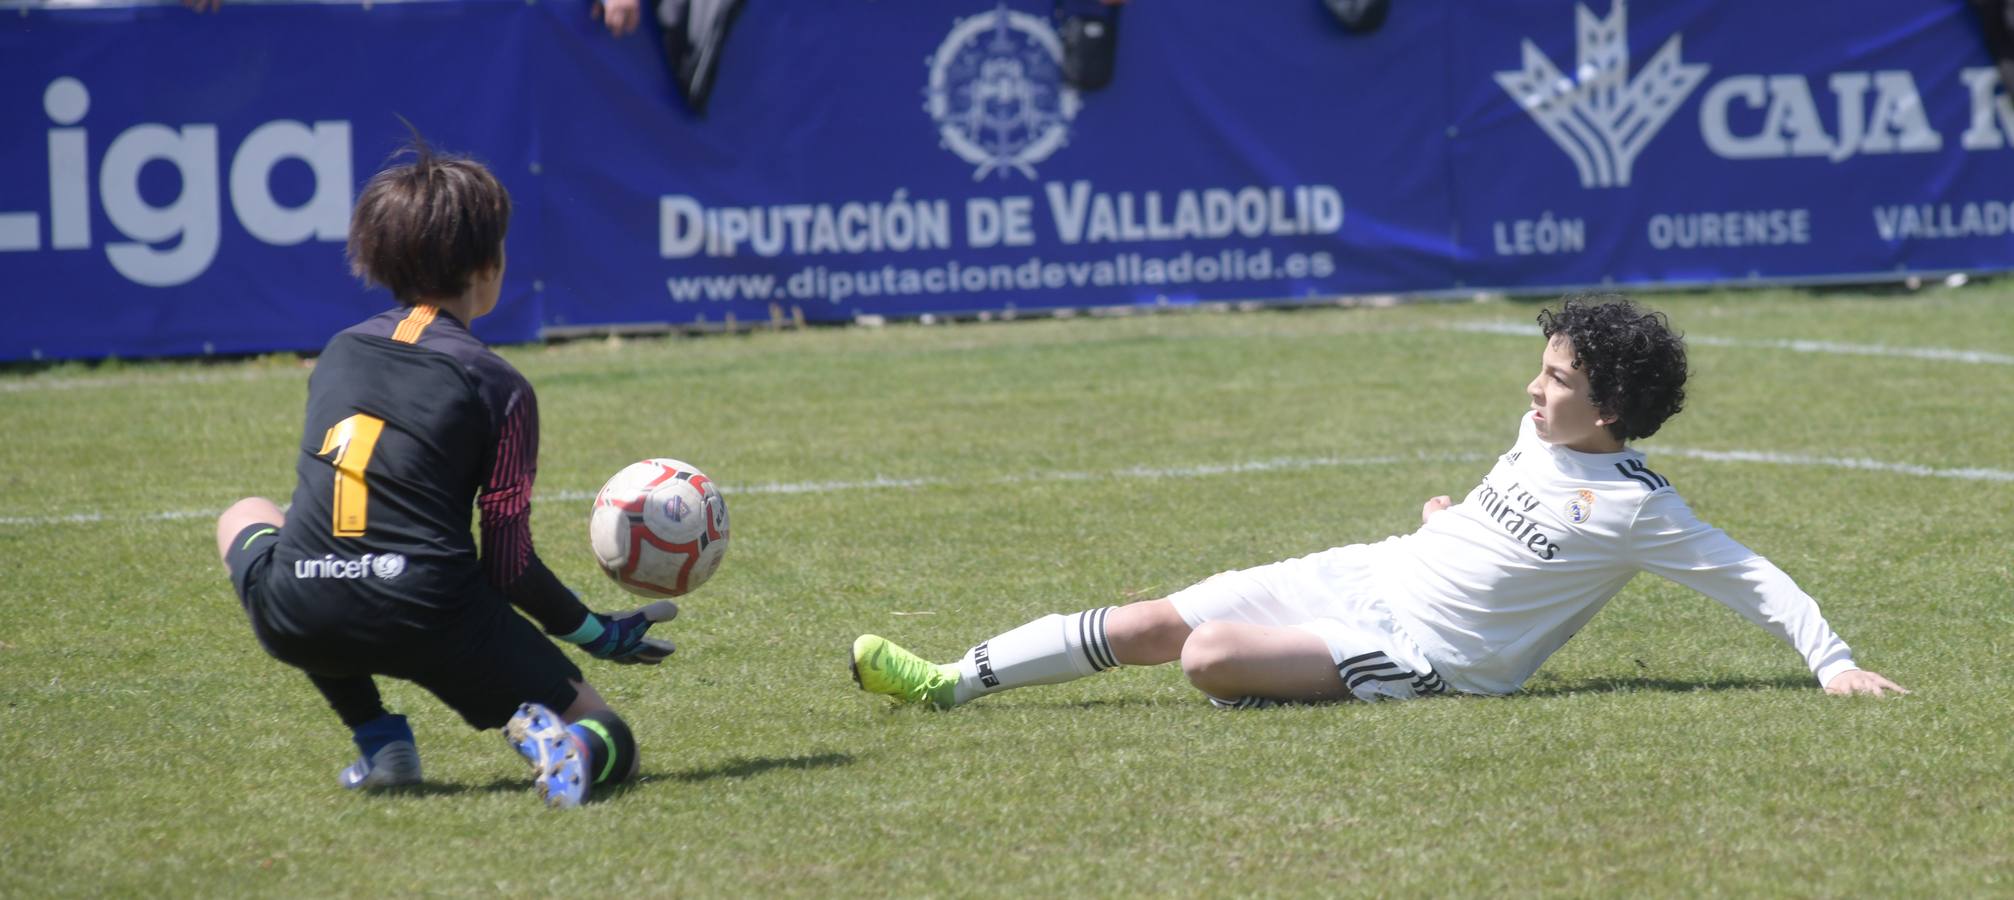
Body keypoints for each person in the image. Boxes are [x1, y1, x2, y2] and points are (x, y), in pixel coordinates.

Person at [851, 295, 1907, 710]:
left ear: (1610, 409)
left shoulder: (1639, 509)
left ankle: (1304, 677)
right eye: (1538, 369)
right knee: (1145, 624)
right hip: (1363, 572)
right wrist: (1450, 523)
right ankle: (950, 681)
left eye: (1555, 380)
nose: (1533, 389)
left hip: (1421, 655)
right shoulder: (1537, 438)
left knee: (1205, 658)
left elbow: (1752, 577)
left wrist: (1831, 660)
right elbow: (1500, 530)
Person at [215, 139, 675, 808]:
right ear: (489, 265)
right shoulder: (500, 385)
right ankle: (566, 749)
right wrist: (592, 630)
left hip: (302, 609)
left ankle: (380, 741)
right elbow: (508, 566)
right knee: (612, 737)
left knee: (244, 514)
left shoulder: (338, 353)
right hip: (433, 613)